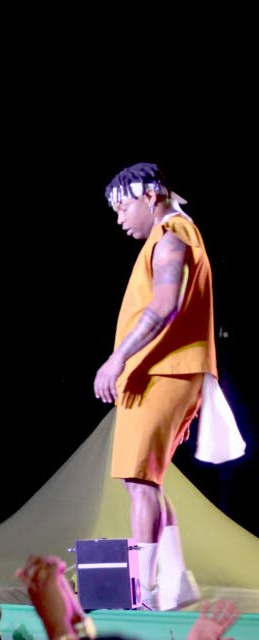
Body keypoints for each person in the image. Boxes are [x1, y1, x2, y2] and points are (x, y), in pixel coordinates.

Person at [96, 162, 241, 610]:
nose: (120, 218)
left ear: (150, 196)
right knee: (147, 482)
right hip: (167, 370)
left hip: (164, 371)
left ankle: (141, 590)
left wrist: (117, 359)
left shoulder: (172, 234)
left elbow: (164, 304)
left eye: (123, 207)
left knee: (139, 480)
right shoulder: (173, 234)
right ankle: (174, 581)